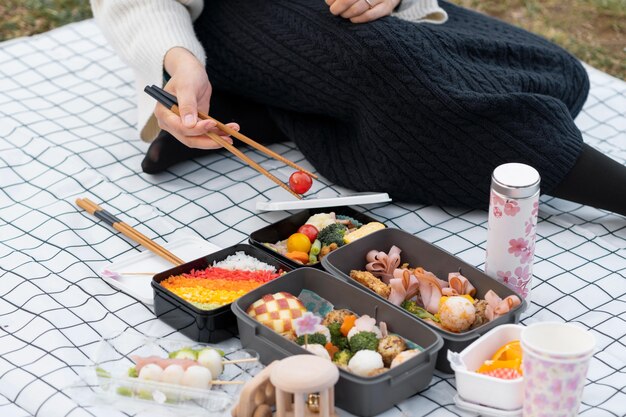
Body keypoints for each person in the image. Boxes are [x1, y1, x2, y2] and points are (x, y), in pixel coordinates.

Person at [91, 0, 626, 215]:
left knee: (558, 73)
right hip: (218, 11)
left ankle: (277, 106)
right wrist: (177, 59)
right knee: (398, 75)